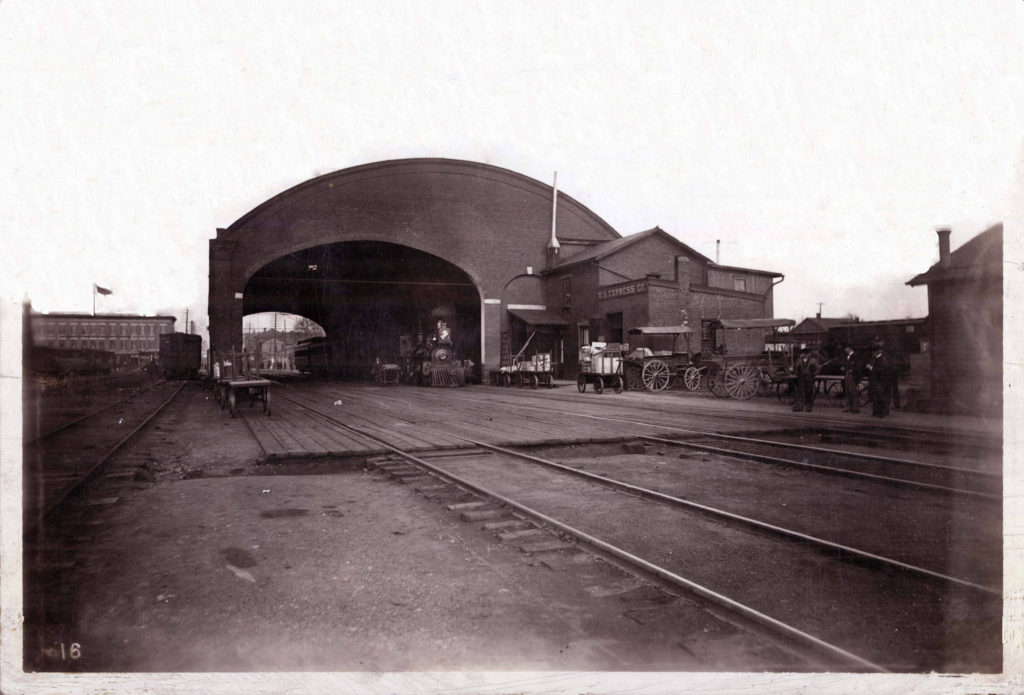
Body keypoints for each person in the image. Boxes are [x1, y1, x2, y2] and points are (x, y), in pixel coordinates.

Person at [865, 341, 890, 418]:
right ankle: (876, 412)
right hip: (876, 381)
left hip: (880, 382)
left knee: (881, 397)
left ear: (876, 352)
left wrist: (871, 368)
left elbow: (881, 370)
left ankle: (882, 413)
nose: (873, 353)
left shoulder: (882, 359)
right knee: (876, 397)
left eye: (874, 352)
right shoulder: (877, 359)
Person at [792, 347, 819, 412]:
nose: (805, 355)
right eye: (804, 353)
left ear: (809, 354)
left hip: (809, 378)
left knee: (809, 393)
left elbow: (817, 368)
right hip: (801, 378)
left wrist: (814, 374)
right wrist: (796, 373)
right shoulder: (799, 360)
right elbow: (795, 367)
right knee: (800, 392)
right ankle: (799, 406)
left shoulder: (813, 360)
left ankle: (808, 407)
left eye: (806, 354)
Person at [841, 345, 860, 413]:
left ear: (849, 348)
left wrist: (851, 370)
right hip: (848, 374)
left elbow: (857, 366)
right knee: (848, 391)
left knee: (852, 391)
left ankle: (855, 408)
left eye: (846, 349)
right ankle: (849, 407)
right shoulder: (848, 356)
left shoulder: (855, 356)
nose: (845, 350)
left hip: (852, 375)